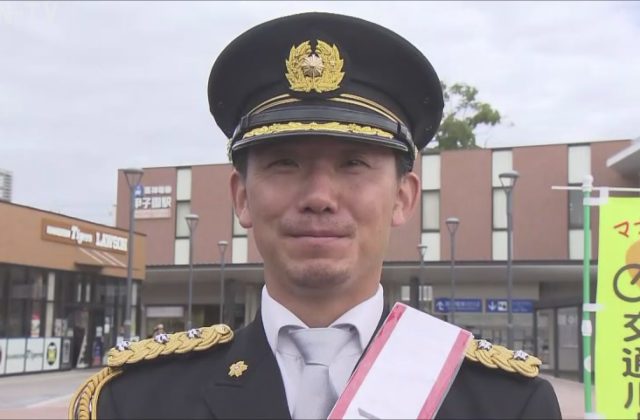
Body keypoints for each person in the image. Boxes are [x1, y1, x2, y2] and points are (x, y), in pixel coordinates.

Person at [69, 12, 561, 419]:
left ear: (403, 198)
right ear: (241, 197)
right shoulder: (134, 401)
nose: (319, 196)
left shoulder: (508, 404)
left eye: (353, 164)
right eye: (285, 163)